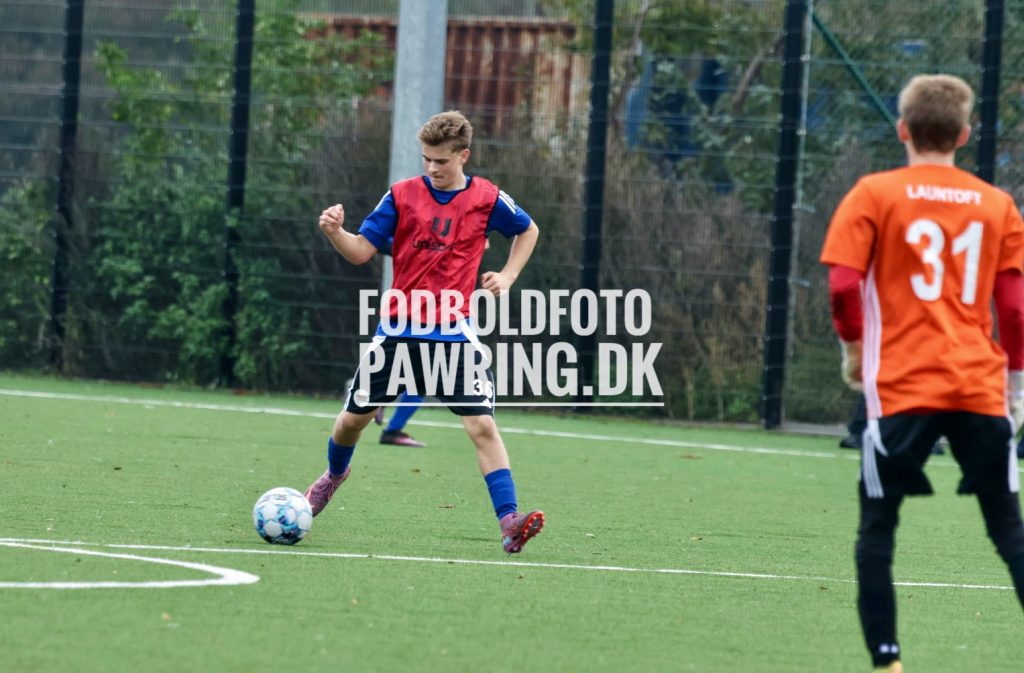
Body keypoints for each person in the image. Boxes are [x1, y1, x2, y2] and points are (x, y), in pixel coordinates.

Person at [820, 74, 1024, 673]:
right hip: (977, 386)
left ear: (902, 129)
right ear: (963, 134)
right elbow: (1015, 310)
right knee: (1009, 532)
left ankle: (888, 663)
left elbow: (842, 288)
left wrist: (855, 350)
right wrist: (1015, 384)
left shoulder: (873, 194)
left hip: (902, 389)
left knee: (877, 530)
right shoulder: (997, 205)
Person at [304, 110, 544, 554]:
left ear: (463, 156)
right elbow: (360, 251)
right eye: (426, 159)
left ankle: (510, 521)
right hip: (398, 331)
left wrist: (508, 276)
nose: (432, 168)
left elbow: (528, 230)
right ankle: (334, 475)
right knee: (352, 422)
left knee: (482, 426)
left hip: (454, 333)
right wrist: (336, 232)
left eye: (442, 161)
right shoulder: (401, 196)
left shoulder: (488, 198)